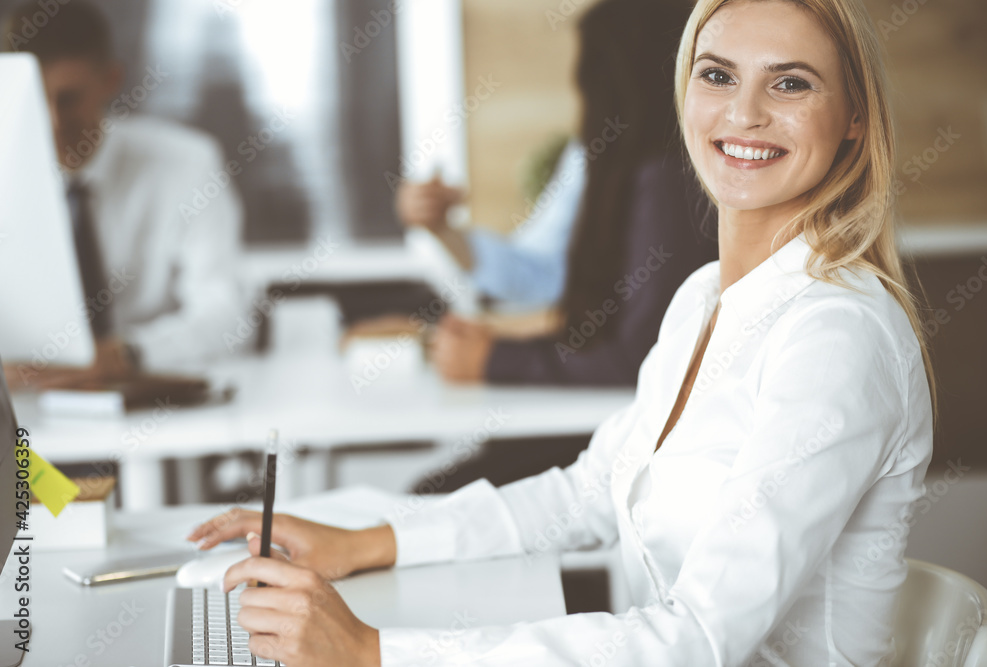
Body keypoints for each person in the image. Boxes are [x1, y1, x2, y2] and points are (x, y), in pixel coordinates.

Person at [188, 0, 936, 663]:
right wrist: (366, 541)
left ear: (855, 118)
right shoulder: (704, 297)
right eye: (716, 75)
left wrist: (372, 652)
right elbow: (587, 492)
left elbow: (697, 640)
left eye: (790, 82)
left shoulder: (838, 335)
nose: (743, 113)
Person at [400, 0, 717, 387]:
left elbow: (641, 353)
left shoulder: (671, 179)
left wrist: (498, 360)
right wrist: (441, 230)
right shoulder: (596, 157)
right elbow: (543, 273)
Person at [2, 1, 245, 386]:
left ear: (110, 79)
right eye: (35, 101)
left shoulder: (186, 164)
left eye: (68, 99)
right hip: (30, 410)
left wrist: (130, 353)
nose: (52, 122)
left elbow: (226, 315)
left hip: (155, 396)